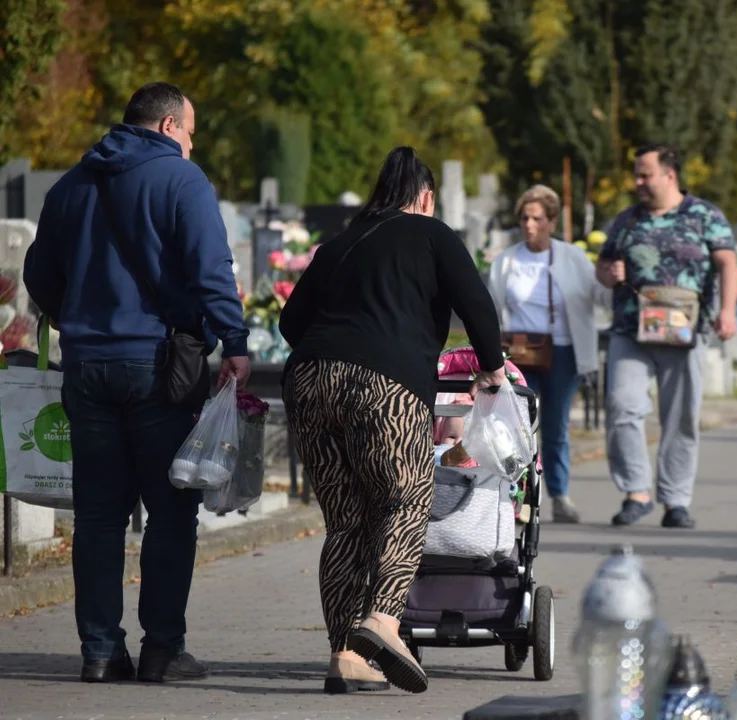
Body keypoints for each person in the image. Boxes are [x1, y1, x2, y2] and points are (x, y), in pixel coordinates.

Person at [22, 82, 250, 684]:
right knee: (172, 510)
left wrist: (80, 318)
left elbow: (40, 274)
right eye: (192, 131)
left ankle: (99, 651)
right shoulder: (182, 181)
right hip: (159, 367)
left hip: (87, 366)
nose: (193, 143)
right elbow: (210, 268)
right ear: (170, 126)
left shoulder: (71, 185)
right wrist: (236, 341)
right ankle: (162, 650)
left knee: (97, 515)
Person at [278, 146, 505, 695]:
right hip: (385, 386)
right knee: (405, 501)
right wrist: (492, 369)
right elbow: (476, 305)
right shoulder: (434, 235)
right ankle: (382, 622)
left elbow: (290, 323)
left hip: (310, 381)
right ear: (425, 197)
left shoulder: (338, 244)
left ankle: (345, 658)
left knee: (347, 524)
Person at [595, 143, 737, 529]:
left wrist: (727, 312)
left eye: (645, 174)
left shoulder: (704, 215)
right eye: (637, 174)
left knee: (681, 418)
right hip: (631, 330)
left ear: (670, 174)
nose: (638, 182)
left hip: (686, 331)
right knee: (622, 405)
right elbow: (604, 267)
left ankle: (676, 501)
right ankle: (636, 492)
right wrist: (610, 275)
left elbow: (728, 264)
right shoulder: (627, 220)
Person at [487, 184, 609, 523]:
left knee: (555, 426)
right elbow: (491, 305)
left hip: (562, 351)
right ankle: (519, 498)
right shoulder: (508, 260)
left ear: (551, 221)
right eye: (525, 218)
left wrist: (612, 280)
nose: (529, 225)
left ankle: (560, 495)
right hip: (519, 352)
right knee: (516, 427)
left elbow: (599, 295)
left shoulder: (572, 257)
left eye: (537, 219)